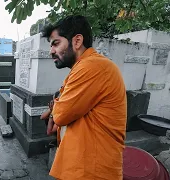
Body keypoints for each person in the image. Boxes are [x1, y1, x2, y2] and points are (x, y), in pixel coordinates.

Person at [42, 15, 127, 180]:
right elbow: (61, 105)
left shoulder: (93, 66)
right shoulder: (81, 68)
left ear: (77, 41)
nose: (51, 51)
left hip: (92, 170)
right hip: (81, 164)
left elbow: (61, 114)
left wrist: (54, 110)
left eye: (56, 43)